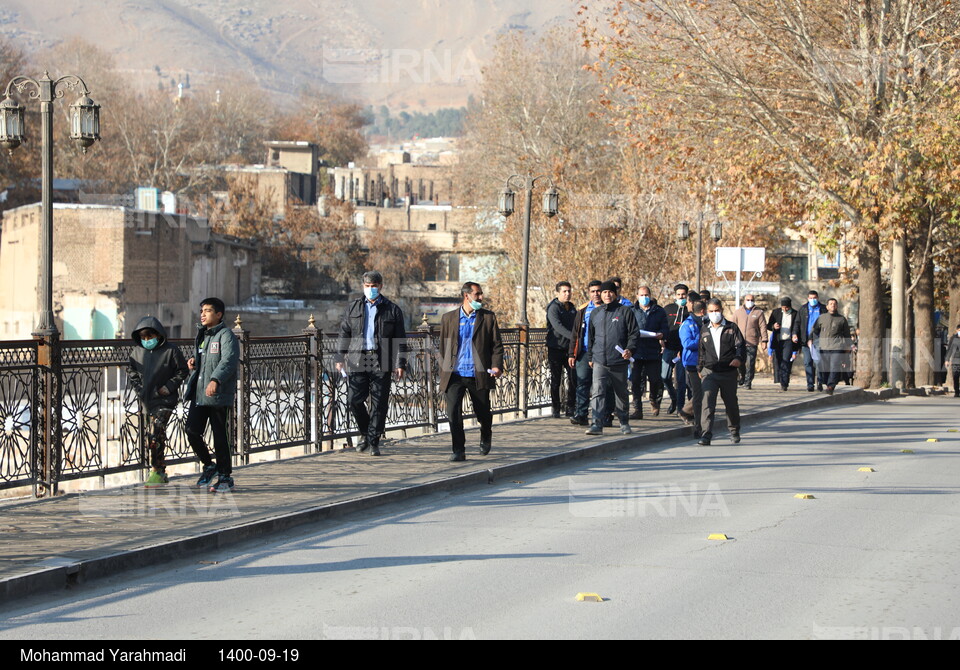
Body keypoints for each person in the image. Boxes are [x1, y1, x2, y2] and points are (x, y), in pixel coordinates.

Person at [334, 271, 407, 457]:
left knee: (379, 402)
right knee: (354, 399)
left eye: (374, 286)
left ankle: (373, 441)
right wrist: (339, 357)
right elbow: (344, 333)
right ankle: (366, 433)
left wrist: (401, 364)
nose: (371, 289)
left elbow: (400, 339)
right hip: (358, 358)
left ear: (381, 286)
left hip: (382, 359)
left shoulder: (392, 309)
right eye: (367, 286)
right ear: (362, 286)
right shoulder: (354, 308)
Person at [439, 282, 504, 461]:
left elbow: (497, 346)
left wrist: (497, 365)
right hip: (455, 375)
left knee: (483, 412)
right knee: (453, 413)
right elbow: (444, 347)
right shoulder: (449, 318)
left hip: (478, 374)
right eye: (477, 294)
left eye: (481, 294)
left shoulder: (488, 318)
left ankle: (486, 433)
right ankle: (458, 450)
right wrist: (443, 371)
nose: (481, 298)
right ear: (466, 296)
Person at [185, 297, 239, 493]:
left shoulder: (226, 336)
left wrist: (215, 380)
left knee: (219, 435)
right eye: (202, 310)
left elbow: (229, 361)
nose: (203, 314)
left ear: (219, 314)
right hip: (200, 393)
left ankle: (225, 476)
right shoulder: (203, 336)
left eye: (208, 311)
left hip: (218, 394)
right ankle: (209, 465)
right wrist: (194, 364)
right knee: (191, 430)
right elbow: (205, 361)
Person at [128, 317, 189, 487]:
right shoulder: (137, 353)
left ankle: (155, 470)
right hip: (147, 401)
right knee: (155, 436)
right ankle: (160, 469)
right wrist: (140, 390)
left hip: (165, 400)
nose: (147, 341)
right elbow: (132, 372)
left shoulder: (171, 351)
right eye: (144, 338)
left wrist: (168, 387)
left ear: (159, 335)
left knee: (155, 433)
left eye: (150, 337)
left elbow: (182, 371)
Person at [585, 281, 639, 436]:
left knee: (621, 392)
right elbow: (591, 337)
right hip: (599, 360)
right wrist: (590, 356)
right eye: (604, 292)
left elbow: (633, 334)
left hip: (618, 360)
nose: (607, 295)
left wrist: (630, 349)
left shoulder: (624, 312)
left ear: (615, 294)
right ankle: (596, 423)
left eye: (610, 292)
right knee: (597, 392)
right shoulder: (596, 313)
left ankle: (624, 422)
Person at [697, 299, 745, 446]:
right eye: (711, 311)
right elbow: (701, 352)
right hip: (710, 372)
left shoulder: (731, 328)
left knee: (731, 403)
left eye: (716, 310)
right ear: (706, 312)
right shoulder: (705, 329)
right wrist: (700, 368)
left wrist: (738, 359)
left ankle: (734, 430)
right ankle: (706, 434)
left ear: (721, 310)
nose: (714, 314)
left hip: (728, 372)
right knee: (707, 403)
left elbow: (741, 347)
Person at [568, 280, 603, 425]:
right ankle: (581, 414)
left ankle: (603, 415)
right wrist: (571, 353)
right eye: (593, 291)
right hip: (583, 352)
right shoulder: (583, 310)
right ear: (589, 293)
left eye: (598, 291)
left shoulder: (607, 309)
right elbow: (575, 333)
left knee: (600, 385)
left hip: (600, 353)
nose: (596, 294)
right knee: (582, 383)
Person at [630, 285, 667, 420]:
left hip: (653, 351)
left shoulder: (659, 311)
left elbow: (665, 328)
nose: (644, 298)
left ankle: (654, 399)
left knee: (655, 379)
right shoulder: (632, 311)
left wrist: (661, 334)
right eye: (641, 295)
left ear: (650, 296)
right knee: (635, 381)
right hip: (637, 351)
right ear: (637, 296)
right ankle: (637, 409)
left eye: (646, 295)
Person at [546, 281, 577, 418]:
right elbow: (557, 327)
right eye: (564, 291)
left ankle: (570, 407)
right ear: (557, 293)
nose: (567, 294)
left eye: (569, 291)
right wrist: (574, 337)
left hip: (569, 349)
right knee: (556, 379)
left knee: (573, 378)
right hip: (556, 347)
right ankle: (556, 407)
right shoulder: (553, 308)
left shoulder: (572, 307)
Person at [812, 298, 853, 395]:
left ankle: (831, 386)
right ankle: (826, 382)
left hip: (837, 347)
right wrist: (815, 342)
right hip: (824, 347)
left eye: (834, 304)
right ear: (827, 306)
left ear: (837, 306)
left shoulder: (842, 319)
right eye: (830, 304)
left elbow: (847, 334)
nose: (833, 305)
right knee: (825, 368)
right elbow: (815, 331)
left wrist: (849, 346)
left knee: (835, 367)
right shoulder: (821, 318)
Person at [678, 300, 707, 437]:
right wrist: (702, 341)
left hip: (707, 363)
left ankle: (687, 412)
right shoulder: (687, 324)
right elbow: (687, 343)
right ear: (702, 311)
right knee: (698, 393)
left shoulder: (706, 323)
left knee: (705, 392)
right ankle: (698, 426)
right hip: (692, 363)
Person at [661, 283, 690, 414]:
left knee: (681, 380)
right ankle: (673, 398)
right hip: (668, 348)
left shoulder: (689, 311)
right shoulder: (668, 309)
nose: (681, 296)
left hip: (682, 351)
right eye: (678, 294)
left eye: (683, 295)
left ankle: (680, 407)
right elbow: (662, 326)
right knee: (664, 376)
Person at [732, 293, 768, 390]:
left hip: (752, 342)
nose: (749, 302)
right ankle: (742, 378)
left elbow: (763, 327)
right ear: (744, 301)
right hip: (739, 342)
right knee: (740, 362)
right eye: (748, 300)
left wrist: (764, 340)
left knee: (750, 363)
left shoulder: (758, 312)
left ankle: (748, 382)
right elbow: (732, 327)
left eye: (751, 300)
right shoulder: (738, 312)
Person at [767, 297, 800, 392]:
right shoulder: (776, 312)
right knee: (779, 361)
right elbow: (769, 326)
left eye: (787, 308)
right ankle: (781, 379)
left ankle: (784, 383)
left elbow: (797, 327)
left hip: (789, 341)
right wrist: (774, 326)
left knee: (786, 361)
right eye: (783, 307)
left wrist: (795, 337)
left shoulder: (795, 314)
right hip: (778, 341)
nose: (785, 309)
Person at [798, 290, 828, 391]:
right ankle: (810, 384)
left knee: (818, 361)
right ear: (808, 298)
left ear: (818, 298)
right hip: (806, 340)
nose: (813, 300)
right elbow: (798, 323)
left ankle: (820, 381)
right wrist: (795, 334)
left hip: (819, 339)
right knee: (807, 362)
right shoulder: (803, 309)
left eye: (814, 298)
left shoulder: (823, 309)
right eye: (811, 298)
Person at [945, 324, 960, 397]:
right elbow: (949, 349)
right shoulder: (953, 338)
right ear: (957, 330)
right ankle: (957, 392)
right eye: (959, 330)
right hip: (955, 360)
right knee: (955, 376)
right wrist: (947, 360)